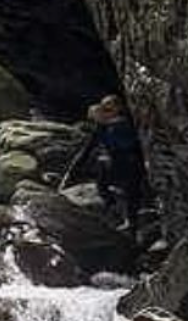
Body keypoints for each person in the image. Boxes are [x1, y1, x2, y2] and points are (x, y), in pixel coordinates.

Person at [60, 93, 145, 231]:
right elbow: (87, 148)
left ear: (118, 108)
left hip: (130, 162)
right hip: (114, 162)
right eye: (104, 108)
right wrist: (71, 171)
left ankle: (132, 221)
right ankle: (114, 208)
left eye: (109, 109)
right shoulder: (101, 127)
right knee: (102, 181)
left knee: (131, 191)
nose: (106, 111)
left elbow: (131, 145)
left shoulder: (125, 124)